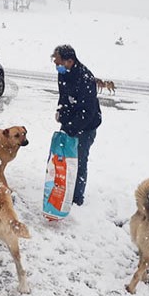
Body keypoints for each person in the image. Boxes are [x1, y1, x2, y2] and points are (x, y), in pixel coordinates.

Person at [52, 44, 102, 206]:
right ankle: (63, 189)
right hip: (70, 122)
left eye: (58, 62)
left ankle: (76, 199)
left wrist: (71, 129)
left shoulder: (85, 79)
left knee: (79, 161)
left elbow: (87, 112)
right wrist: (61, 112)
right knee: (63, 159)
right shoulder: (64, 73)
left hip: (86, 126)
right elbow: (64, 97)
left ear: (70, 61)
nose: (56, 65)